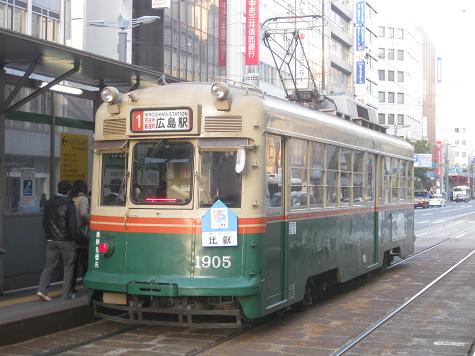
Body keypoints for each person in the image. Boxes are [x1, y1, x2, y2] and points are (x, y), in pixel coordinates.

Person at [37, 180, 78, 301]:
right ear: (69, 191)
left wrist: (49, 236)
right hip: (66, 240)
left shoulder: (49, 203)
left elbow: (44, 222)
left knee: (49, 266)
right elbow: (72, 225)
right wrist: (75, 239)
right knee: (68, 266)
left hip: (51, 240)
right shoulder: (70, 204)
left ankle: (42, 290)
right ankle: (66, 294)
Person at [70, 179, 90, 293]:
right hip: (82, 234)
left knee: (73, 262)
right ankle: (85, 282)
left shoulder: (72, 198)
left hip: (72, 234)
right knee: (85, 260)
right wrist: (91, 220)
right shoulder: (83, 199)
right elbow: (83, 214)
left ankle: (71, 286)